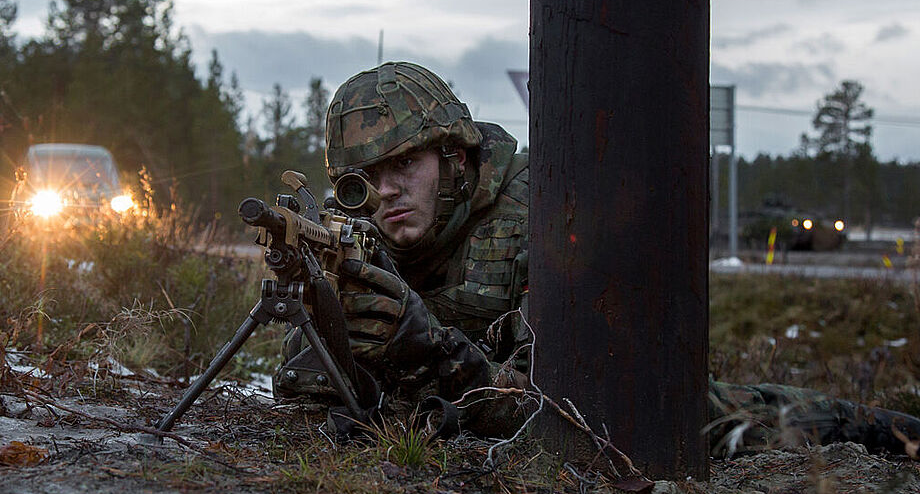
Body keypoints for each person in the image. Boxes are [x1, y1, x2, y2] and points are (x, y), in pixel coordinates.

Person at [278, 60, 920, 457]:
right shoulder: (366, 238)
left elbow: (558, 411)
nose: (385, 192)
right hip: (481, 410)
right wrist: (330, 321)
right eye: (366, 177)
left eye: (404, 164)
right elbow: (308, 399)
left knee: (776, 427)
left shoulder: (541, 211)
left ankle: (895, 428)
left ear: (453, 156)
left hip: (629, 402)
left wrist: (425, 348)